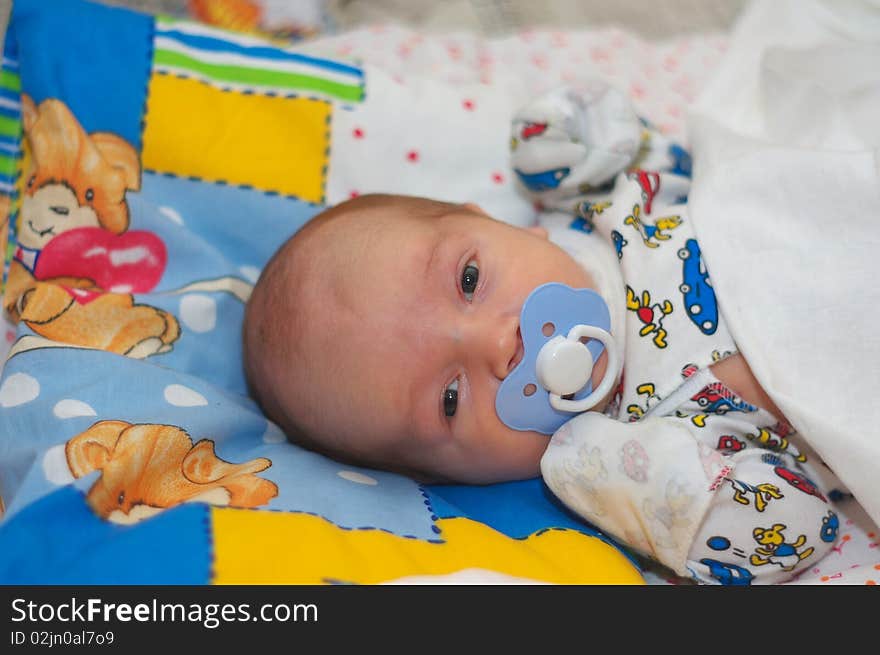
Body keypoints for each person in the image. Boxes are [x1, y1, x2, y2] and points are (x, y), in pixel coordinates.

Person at [242, 83, 841, 585]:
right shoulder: (645, 446)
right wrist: (656, 492)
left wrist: (563, 135)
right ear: (452, 478)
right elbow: (799, 530)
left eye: (470, 279)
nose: (497, 344)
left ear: (491, 220)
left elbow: (658, 148)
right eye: (450, 399)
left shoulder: (596, 207)